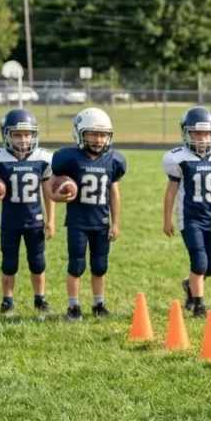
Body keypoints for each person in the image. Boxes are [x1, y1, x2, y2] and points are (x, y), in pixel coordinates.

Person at [51, 108, 127, 320]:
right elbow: (52, 185)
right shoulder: (69, 159)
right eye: (92, 134)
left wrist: (115, 223)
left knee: (100, 265)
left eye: (102, 135)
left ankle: (98, 303)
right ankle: (73, 306)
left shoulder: (114, 161)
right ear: (80, 134)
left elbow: (114, 193)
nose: (98, 139)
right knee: (76, 264)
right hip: (77, 222)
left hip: (101, 222)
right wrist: (58, 194)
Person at [0, 109, 56, 315]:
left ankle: (40, 299)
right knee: (9, 262)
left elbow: (47, 192)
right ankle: (7, 301)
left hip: (35, 220)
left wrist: (51, 220)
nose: (23, 139)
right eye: (17, 134)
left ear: (34, 134)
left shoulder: (44, 158)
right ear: (6, 134)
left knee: (38, 262)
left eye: (27, 134)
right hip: (10, 221)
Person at [163, 107, 211, 318]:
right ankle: (199, 304)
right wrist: (167, 219)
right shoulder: (179, 158)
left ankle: (190, 286)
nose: (202, 138)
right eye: (196, 133)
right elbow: (170, 192)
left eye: (206, 133)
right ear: (186, 133)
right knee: (199, 262)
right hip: (189, 218)